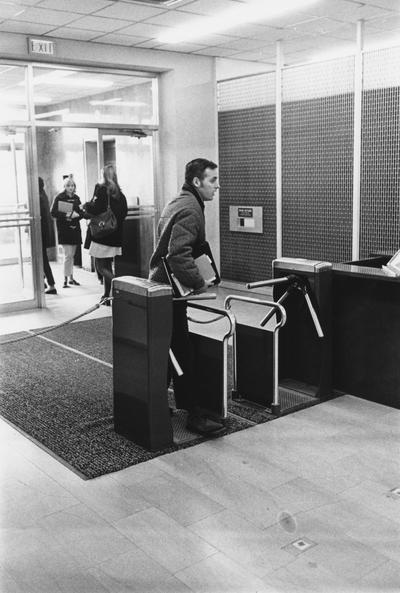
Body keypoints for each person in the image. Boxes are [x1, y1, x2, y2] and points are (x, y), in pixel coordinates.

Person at [149, 157, 224, 437]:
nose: (217, 186)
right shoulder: (192, 209)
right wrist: (199, 283)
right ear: (197, 181)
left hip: (159, 287)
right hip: (170, 292)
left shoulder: (177, 201)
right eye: (212, 180)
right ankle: (194, 414)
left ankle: (159, 402)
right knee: (183, 350)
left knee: (168, 348)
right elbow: (178, 254)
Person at [83, 164, 128, 305]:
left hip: (102, 235)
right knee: (107, 266)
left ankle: (121, 290)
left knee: (100, 267)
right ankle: (106, 296)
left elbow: (95, 208)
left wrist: (85, 205)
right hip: (115, 236)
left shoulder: (101, 189)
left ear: (103, 176)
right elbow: (124, 213)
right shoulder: (120, 194)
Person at [51, 176, 83, 288]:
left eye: (72, 185)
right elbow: (53, 212)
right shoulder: (59, 197)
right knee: (68, 255)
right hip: (64, 229)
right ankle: (65, 278)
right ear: (64, 186)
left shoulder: (77, 198)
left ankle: (71, 278)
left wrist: (78, 215)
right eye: (68, 185)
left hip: (74, 228)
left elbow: (81, 212)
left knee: (72, 255)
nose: (71, 187)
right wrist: (67, 214)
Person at [38, 177, 57, 295]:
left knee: (42, 259)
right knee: (41, 259)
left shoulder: (38, 198)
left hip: (41, 233)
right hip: (44, 233)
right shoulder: (43, 195)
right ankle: (43, 282)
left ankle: (51, 284)